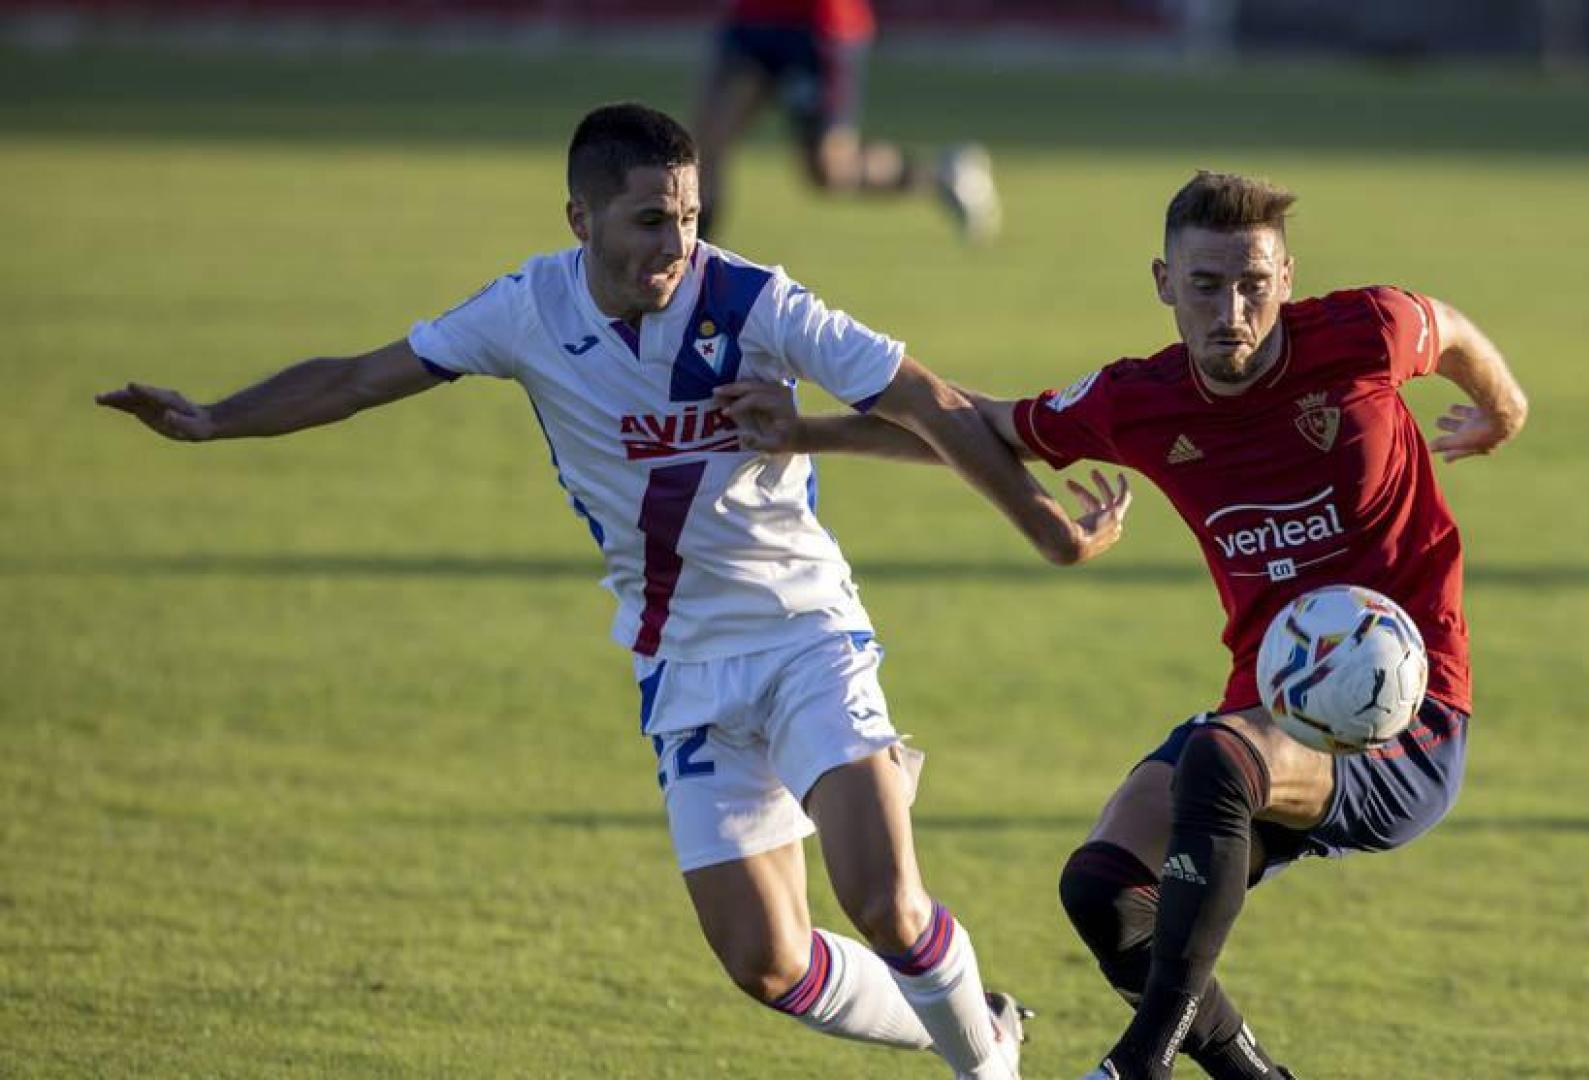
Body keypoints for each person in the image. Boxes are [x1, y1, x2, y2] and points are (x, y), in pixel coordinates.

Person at [95, 102, 1134, 1079]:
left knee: (884, 902)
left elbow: (934, 404)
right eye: (650, 219)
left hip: (806, 633)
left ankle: (987, 1066)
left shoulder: (755, 301)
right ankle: (976, 1021)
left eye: (686, 216)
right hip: (681, 661)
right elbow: (362, 378)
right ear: (580, 218)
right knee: (765, 962)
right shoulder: (526, 311)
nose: (675, 242)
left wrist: (1048, 529)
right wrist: (214, 419)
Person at [715, 170, 1529, 1078]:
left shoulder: (1363, 334)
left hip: (1405, 728)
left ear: (1286, 278)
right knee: (1105, 891)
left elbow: (1446, 328)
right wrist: (806, 432)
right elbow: (979, 428)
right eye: (1207, 284)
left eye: (1254, 284)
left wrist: (1504, 405)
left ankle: (1137, 1064)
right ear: (1163, 283)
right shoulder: (1140, 402)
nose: (1232, 309)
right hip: (1264, 722)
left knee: (1222, 760)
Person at [694, 0, 1001, 242]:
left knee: (830, 171)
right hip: (754, 19)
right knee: (706, 147)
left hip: (820, 26)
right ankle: (689, 268)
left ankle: (938, 175)